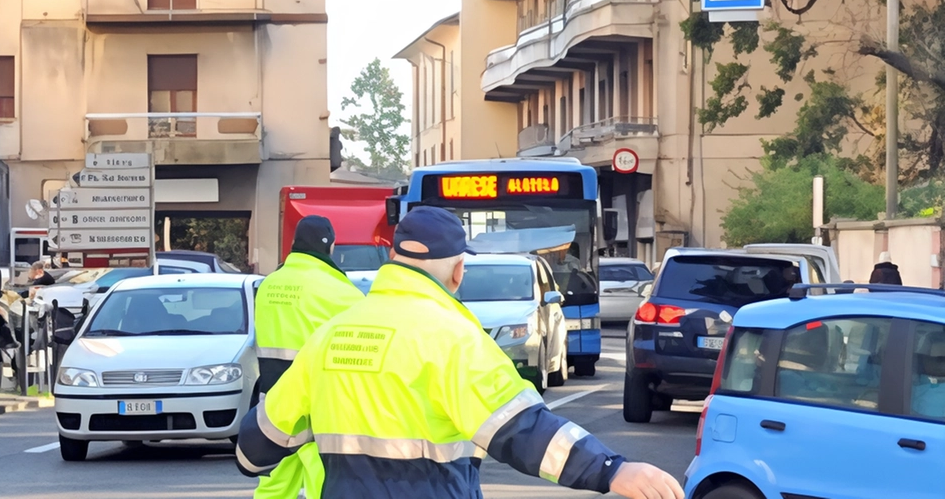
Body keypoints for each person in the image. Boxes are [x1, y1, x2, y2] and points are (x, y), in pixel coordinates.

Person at [236, 206, 684, 499]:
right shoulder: (453, 337)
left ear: (393, 259)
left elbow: (256, 448)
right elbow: (523, 430)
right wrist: (611, 470)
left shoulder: (331, 335)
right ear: (457, 270)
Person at [253, 216, 365, 499]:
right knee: (322, 478)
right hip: (319, 401)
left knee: (276, 482)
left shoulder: (269, 285)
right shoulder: (339, 291)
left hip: (275, 399)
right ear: (329, 246)